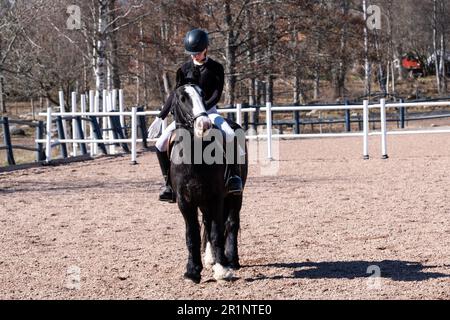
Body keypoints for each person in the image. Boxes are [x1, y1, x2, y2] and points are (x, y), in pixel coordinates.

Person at [148, 28, 243, 202]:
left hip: (209, 112)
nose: (194, 56)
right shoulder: (184, 69)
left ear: (206, 49)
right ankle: (169, 184)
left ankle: (233, 177)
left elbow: (216, 94)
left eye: (197, 53)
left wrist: (201, 110)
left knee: (229, 134)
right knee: (160, 144)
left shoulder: (216, 68)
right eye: (192, 54)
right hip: (186, 116)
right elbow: (175, 95)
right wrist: (160, 117)